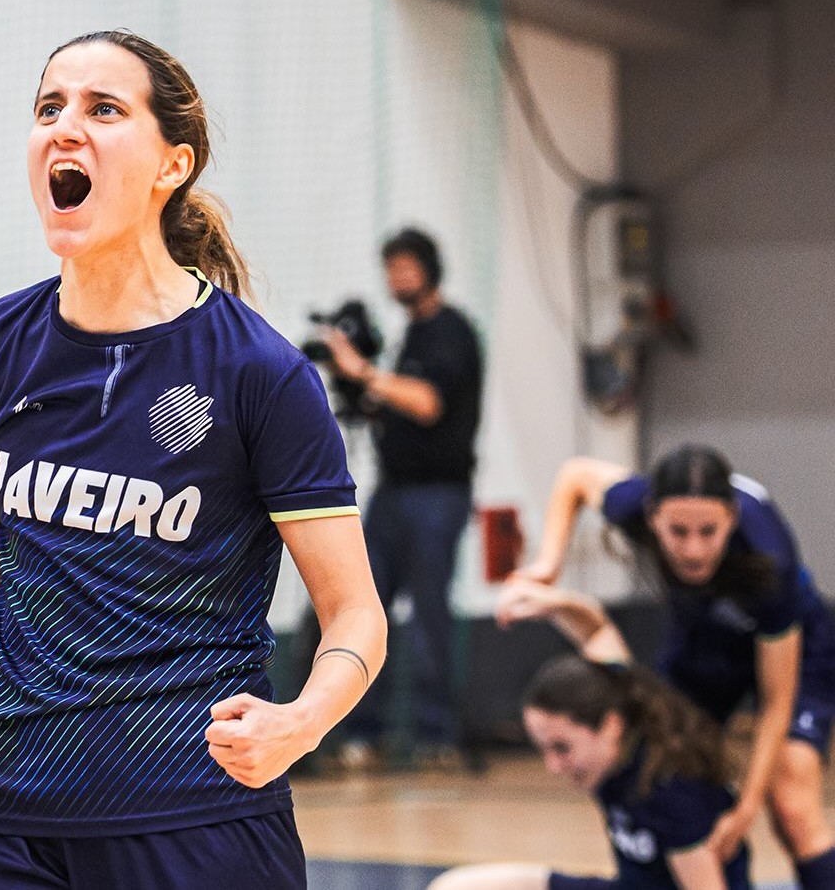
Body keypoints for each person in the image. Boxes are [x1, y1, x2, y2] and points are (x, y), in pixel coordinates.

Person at [0, 29, 387, 890]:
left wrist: (300, 723)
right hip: (9, 820)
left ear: (171, 166)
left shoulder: (257, 373)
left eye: (103, 109)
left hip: (196, 816)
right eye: (50, 107)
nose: (64, 128)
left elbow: (356, 618)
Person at [511, 444, 835, 889]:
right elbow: (575, 475)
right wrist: (548, 565)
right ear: (651, 518)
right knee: (659, 746)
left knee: (792, 800)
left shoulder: (769, 563)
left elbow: (777, 702)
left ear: (732, 519)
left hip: (798, 643)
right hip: (705, 635)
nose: (693, 550)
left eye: (709, 531)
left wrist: (745, 810)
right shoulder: (632, 503)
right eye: (677, 532)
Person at [428, 578, 752, 890]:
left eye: (562, 748)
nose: (553, 766)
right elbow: (596, 630)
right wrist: (553, 603)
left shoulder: (670, 790)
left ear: (609, 726)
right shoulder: (619, 696)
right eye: (544, 750)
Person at [319, 227, 483, 770]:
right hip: (393, 494)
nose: (399, 280)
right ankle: (365, 732)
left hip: (437, 496)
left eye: (407, 268)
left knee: (431, 613)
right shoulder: (407, 336)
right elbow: (390, 401)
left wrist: (363, 372)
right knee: (366, 610)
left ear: (430, 269)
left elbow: (428, 402)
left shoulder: (450, 332)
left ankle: (438, 735)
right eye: (392, 270)